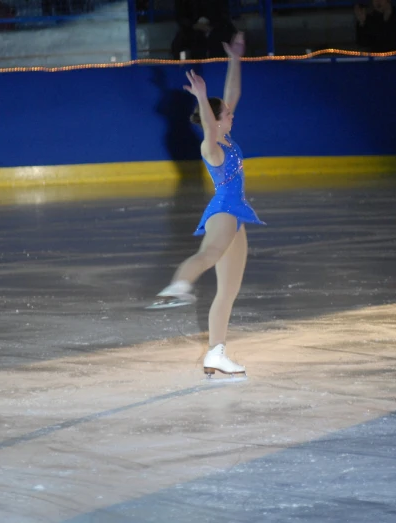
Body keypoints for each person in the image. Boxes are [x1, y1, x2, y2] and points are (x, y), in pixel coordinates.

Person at [149, 33, 264, 379]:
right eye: (226, 114)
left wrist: (234, 59)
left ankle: (216, 354)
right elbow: (212, 120)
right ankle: (179, 284)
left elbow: (233, 94)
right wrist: (201, 96)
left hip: (238, 213)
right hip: (224, 210)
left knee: (228, 290)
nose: (232, 113)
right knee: (211, 253)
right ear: (215, 121)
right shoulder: (211, 147)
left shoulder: (226, 136)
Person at [171, 0, 237, 59]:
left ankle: (216, 67)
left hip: (217, 27)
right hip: (192, 28)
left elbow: (224, 14)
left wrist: (211, 26)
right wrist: (194, 25)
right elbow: (180, 17)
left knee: (223, 38)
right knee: (179, 44)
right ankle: (183, 68)